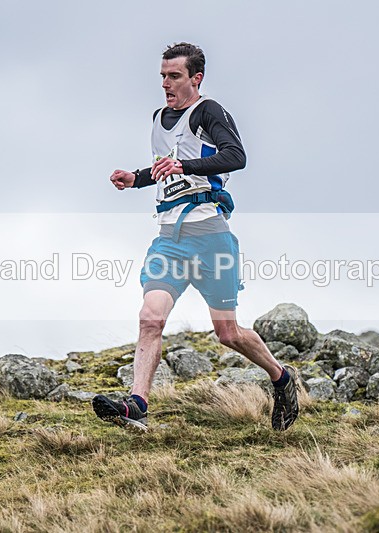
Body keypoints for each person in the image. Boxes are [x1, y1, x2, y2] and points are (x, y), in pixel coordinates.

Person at [92, 43, 298, 432]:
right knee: (150, 318)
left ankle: (281, 378)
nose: (166, 84)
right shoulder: (159, 118)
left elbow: (236, 156)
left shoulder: (208, 112)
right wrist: (136, 178)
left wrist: (184, 164)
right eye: (162, 77)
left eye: (174, 76)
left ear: (195, 78)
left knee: (228, 333)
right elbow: (165, 169)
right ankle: (137, 405)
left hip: (210, 235)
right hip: (170, 237)